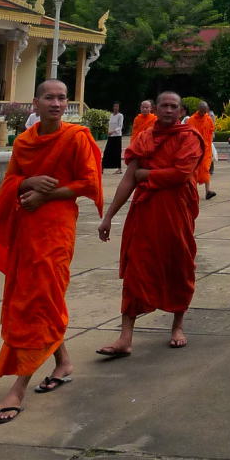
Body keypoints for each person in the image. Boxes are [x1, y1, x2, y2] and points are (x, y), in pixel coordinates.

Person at [0, 78, 103, 426]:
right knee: (35, 297)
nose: (56, 103)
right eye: (49, 98)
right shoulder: (26, 142)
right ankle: (63, 362)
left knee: (40, 299)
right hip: (28, 227)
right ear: (36, 103)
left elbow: (89, 183)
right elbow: (13, 180)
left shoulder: (76, 138)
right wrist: (29, 183)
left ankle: (18, 387)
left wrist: (49, 194)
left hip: (56, 229)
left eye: (62, 98)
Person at [96, 90, 205, 356]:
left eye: (174, 106)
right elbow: (129, 179)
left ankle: (177, 325)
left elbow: (180, 174)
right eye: (164, 106)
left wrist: (146, 173)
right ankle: (125, 337)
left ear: (180, 112)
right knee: (136, 269)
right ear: (156, 108)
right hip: (144, 212)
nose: (168, 110)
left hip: (176, 212)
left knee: (178, 265)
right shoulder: (145, 137)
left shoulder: (189, 137)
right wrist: (109, 216)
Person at [186, 101, 217, 200]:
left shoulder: (208, 119)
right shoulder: (191, 120)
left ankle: (208, 191)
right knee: (195, 171)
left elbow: (211, 132)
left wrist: (210, 145)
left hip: (207, 149)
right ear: (198, 109)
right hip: (195, 150)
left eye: (205, 111)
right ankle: (193, 192)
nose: (204, 113)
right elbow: (189, 135)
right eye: (202, 111)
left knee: (205, 169)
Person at [101, 102, 124, 173]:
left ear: (119, 108)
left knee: (117, 152)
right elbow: (110, 125)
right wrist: (108, 132)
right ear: (113, 107)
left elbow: (120, 126)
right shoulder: (111, 115)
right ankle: (102, 167)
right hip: (110, 136)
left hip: (117, 136)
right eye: (115, 106)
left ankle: (119, 169)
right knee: (107, 152)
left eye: (117, 107)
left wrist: (113, 131)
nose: (116, 108)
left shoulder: (120, 115)